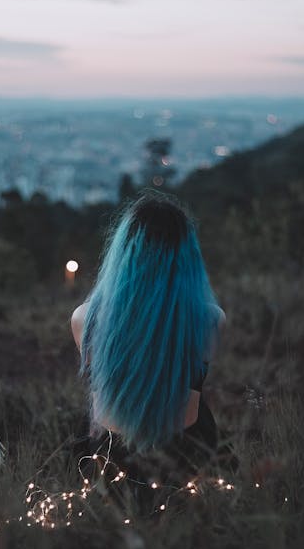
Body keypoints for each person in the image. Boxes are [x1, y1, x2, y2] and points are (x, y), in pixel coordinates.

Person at [70, 191, 226, 480]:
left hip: (109, 462)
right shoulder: (210, 319)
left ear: (123, 252)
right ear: (187, 256)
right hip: (186, 461)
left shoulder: (85, 319)